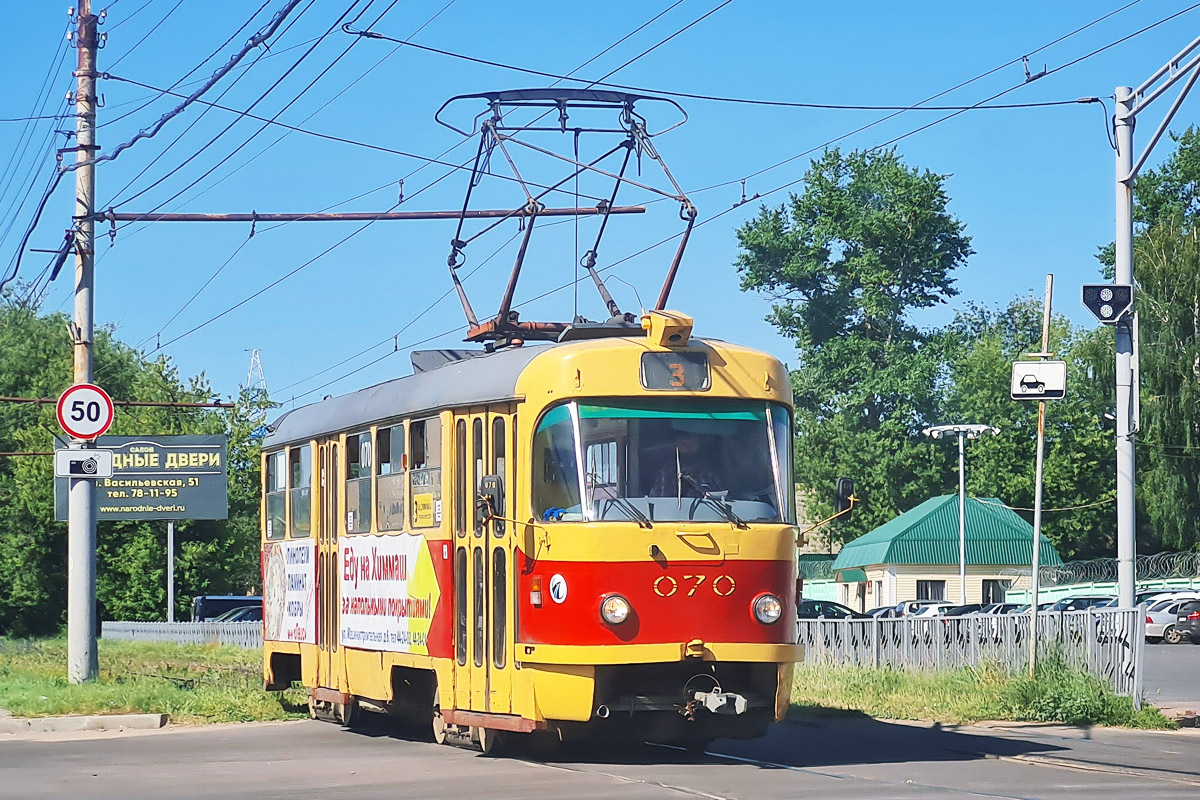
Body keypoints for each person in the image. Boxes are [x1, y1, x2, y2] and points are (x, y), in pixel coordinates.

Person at [650, 431, 723, 497]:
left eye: (692, 445)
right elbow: (662, 504)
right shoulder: (665, 474)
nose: (689, 449)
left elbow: (722, 500)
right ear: (675, 447)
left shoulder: (707, 474)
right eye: (684, 445)